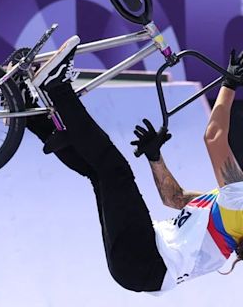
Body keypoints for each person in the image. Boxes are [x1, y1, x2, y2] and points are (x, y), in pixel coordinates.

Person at [21, 37, 243, 293]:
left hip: (147, 259)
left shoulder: (239, 201)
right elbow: (175, 198)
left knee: (114, 169)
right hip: (138, 267)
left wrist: (229, 84)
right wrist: (154, 156)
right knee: (99, 174)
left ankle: (57, 87)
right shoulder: (231, 211)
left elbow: (214, 138)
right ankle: (28, 114)